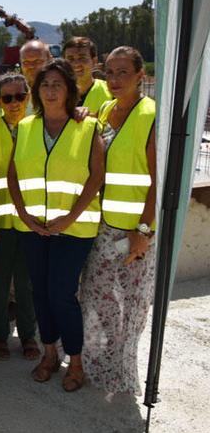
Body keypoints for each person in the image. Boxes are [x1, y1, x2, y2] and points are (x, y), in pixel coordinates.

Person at [8, 59, 104, 393]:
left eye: (57, 85)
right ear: (37, 91)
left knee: (62, 294)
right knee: (40, 292)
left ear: (69, 91)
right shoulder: (25, 127)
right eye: (45, 84)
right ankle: (49, 354)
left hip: (74, 229)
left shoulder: (87, 127)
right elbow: (12, 174)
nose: (50, 90)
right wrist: (22, 213)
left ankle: (75, 363)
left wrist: (70, 217)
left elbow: (96, 177)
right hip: (33, 227)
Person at [80, 46, 156, 395]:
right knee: (98, 298)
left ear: (141, 75)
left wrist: (143, 232)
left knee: (132, 307)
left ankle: (123, 373)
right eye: (109, 72)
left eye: (123, 72)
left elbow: (158, 181)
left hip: (134, 232)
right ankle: (101, 364)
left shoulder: (151, 115)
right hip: (103, 227)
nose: (114, 79)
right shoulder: (107, 110)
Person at [0, 73, 39, 361]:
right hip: (0, 222)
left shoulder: (39, 127)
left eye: (19, 96)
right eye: (7, 97)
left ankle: (29, 336)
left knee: (27, 284)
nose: (14, 103)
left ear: (28, 97)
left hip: (31, 222)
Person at [63, 36, 113, 116]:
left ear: (94, 61)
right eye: (70, 59)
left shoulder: (111, 92)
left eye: (82, 58)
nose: (76, 64)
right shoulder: (55, 94)